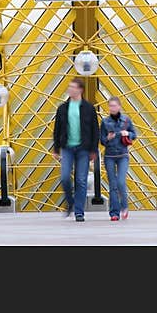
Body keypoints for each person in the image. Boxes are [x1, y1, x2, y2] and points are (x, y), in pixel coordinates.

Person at [52, 77, 99, 222]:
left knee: (81, 180)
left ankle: (79, 212)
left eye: (73, 87)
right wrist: (56, 148)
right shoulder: (62, 108)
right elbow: (57, 129)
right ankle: (70, 202)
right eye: (69, 87)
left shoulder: (89, 108)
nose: (70, 89)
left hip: (83, 149)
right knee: (65, 177)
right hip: (67, 147)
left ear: (80, 90)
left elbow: (94, 130)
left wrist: (93, 150)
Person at [99, 96, 137, 221]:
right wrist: (108, 138)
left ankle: (124, 206)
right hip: (109, 155)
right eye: (110, 106)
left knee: (121, 181)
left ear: (119, 106)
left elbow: (134, 135)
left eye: (114, 106)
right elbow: (102, 140)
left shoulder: (126, 120)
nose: (112, 108)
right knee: (113, 185)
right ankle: (114, 213)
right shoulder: (105, 122)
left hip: (122, 155)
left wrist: (128, 134)